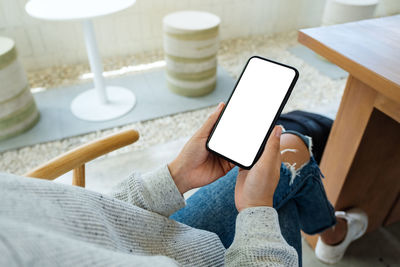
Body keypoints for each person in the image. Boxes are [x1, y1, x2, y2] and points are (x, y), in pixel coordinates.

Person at [0, 103, 367, 266]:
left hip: (152, 241)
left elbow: (84, 219)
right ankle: (331, 232)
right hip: (182, 253)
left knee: (284, 146)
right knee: (288, 152)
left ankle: (330, 233)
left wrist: (175, 176)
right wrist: (256, 214)